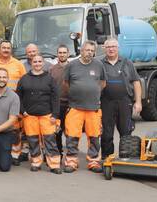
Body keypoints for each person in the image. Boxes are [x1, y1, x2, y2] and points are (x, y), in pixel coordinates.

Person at [63, 41, 107, 173]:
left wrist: (93, 92)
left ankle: (93, 161)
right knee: (72, 135)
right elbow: (66, 84)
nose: (89, 52)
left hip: (93, 108)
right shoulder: (71, 65)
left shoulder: (99, 65)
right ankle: (71, 161)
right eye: (86, 50)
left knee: (94, 136)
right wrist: (77, 93)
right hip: (75, 107)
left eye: (91, 50)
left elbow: (103, 83)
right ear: (81, 51)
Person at [16, 55, 61, 174]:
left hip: (47, 115)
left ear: (43, 63)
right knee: (33, 140)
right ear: (31, 63)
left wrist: (55, 115)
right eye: (35, 61)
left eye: (39, 61)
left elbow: (56, 98)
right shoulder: (24, 79)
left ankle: (54, 164)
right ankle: (36, 162)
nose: (37, 63)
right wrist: (22, 110)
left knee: (50, 141)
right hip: (29, 116)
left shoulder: (50, 79)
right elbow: (18, 96)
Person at [100, 38, 142, 159]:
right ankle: (106, 158)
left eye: (113, 46)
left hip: (125, 102)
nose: (111, 49)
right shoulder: (99, 63)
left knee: (126, 132)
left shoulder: (127, 62)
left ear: (118, 48)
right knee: (106, 133)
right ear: (104, 48)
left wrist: (138, 102)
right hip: (106, 103)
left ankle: (126, 158)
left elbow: (136, 82)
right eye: (108, 47)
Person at [0, 40, 27, 163]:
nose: (5, 50)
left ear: (11, 50)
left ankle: (14, 154)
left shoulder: (18, 64)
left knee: (14, 130)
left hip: (13, 102)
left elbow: (24, 84)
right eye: (3, 47)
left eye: (8, 48)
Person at [49, 44, 70, 154]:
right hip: (57, 105)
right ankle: (58, 152)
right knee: (57, 130)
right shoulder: (52, 69)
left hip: (71, 105)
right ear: (57, 54)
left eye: (64, 53)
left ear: (68, 54)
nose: (62, 55)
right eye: (60, 53)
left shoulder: (73, 67)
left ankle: (71, 154)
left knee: (70, 131)